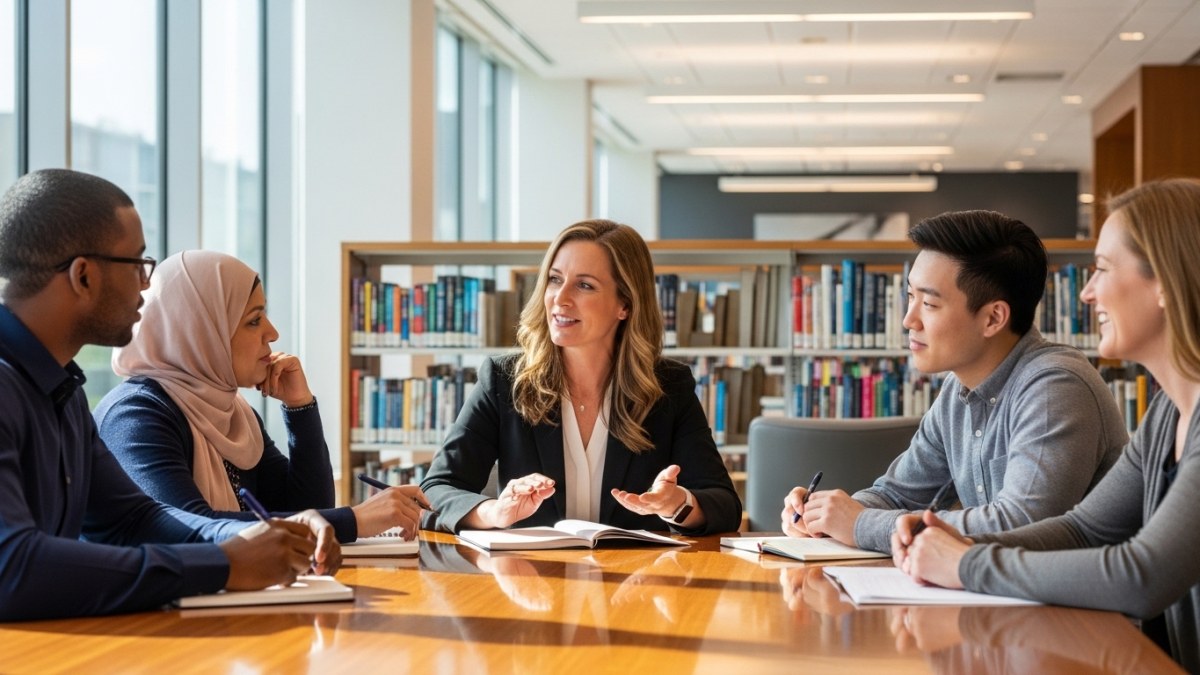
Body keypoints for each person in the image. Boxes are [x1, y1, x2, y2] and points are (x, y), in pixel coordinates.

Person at [0, 168, 339, 621]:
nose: (148, 283)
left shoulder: (60, 390)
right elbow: (13, 565)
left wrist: (263, 536)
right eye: (138, 263)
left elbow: (132, 520)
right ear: (83, 276)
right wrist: (223, 563)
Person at [895, 178, 1200, 671]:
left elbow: (1142, 576)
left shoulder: (1062, 381)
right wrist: (952, 541)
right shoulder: (1168, 413)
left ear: (1164, 283)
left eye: (1101, 270)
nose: (1086, 293)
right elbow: (1085, 529)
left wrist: (965, 563)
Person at [783, 210, 1127, 553]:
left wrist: (859, 524)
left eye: (929, 304)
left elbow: (1022, 523)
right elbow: (896, 494)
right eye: (909, 296)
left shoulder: (1055, 387)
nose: (908, 320)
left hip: (1076, 605)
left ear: (993, 318)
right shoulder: (958, 390)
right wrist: (821, 517)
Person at [420, 219, 741, 534]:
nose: (560, 298)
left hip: (635, 581)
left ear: (625, 304)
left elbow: (724, 505)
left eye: (584, 285)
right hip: (531, 579)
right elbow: (435, 491)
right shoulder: (504, 380)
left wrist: (677, 505)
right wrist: (495, 511)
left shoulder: (669, 386)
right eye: (555, 279)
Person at [94, 250, 429, 542]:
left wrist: (300, 407)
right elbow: (188, 528)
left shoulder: (235, 414)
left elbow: (309, 509)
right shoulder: (136, 416)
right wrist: (353, 520)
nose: (273, 332)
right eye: (254, 321)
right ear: (202, 333)